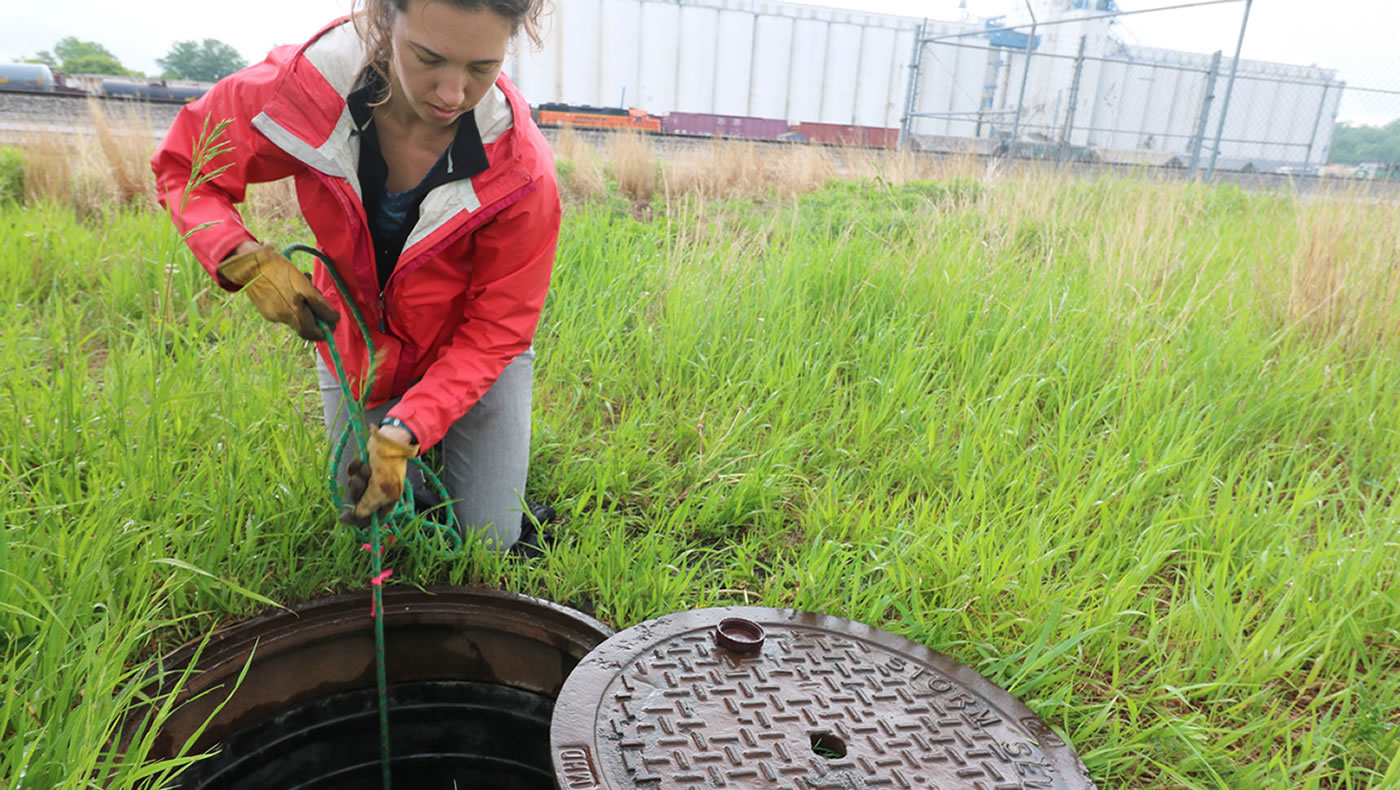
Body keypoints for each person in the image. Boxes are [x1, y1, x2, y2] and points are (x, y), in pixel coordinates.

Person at [151, 0, 561, 555]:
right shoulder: (303, 91)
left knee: (486, 542)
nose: (451, 94)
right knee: (378, 528)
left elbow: (496, 330)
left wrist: (406, 430)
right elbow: (187, 168)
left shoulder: (520, 165)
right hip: (358, 342)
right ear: (384, 18)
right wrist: (239, 256)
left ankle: (487, 489)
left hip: (473, 352)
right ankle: (430, 464)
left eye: (480, 69)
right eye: (428, 58)